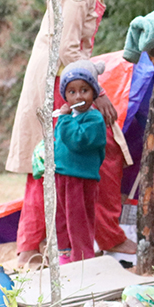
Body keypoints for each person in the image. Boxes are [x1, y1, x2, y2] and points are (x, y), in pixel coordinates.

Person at [6, 0, 133, 268]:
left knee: (89, 155)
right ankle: (33, 249)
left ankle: (102, 236)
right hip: (61, 81)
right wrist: (96, 92)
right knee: (50, 161)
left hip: (69, 78)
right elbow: (66, 48)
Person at [53, 61, 109, 263]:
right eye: (72, 92)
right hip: (62, 176)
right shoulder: (68, 117)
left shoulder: (94, 119)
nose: (79, 96)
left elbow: (76, 141)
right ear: (65, 96)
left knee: (79, 221)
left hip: (81, 179)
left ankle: (83, 259)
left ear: (94, 93)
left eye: (84, 90)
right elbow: (60, 143)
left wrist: (65, 120)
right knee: (61, 219)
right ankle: (65, 255)